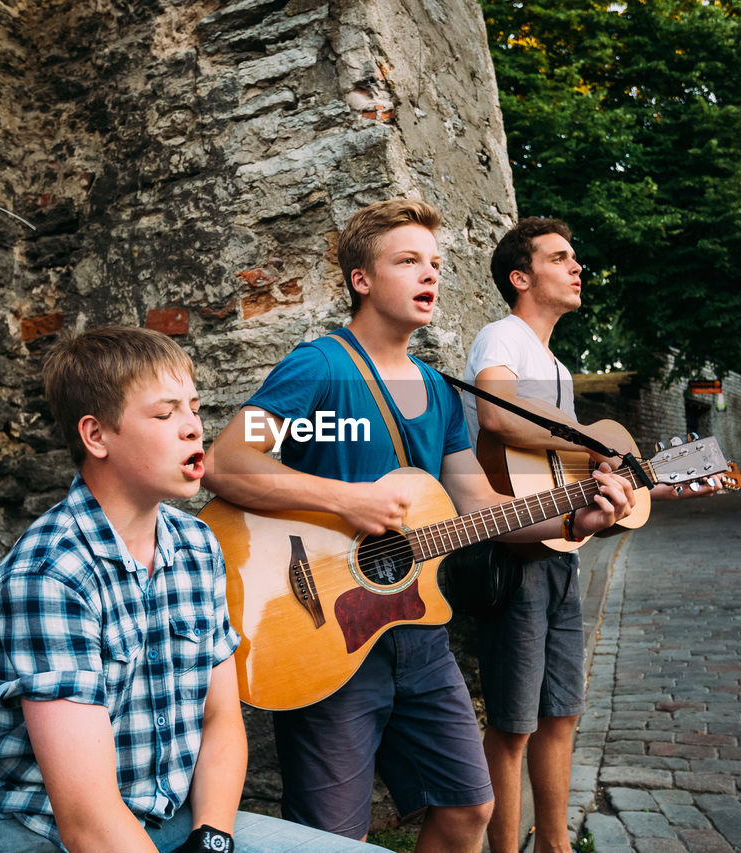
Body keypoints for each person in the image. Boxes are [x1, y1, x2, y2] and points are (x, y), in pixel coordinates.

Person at [202, 200, 634, 853]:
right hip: (328, 635)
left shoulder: (438, 391)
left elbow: (480, 507)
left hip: (420, 637)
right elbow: (226, 461)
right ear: (362, 280)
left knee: (469, 808)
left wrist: (575, 517)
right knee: (330, 839)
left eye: (434, 263)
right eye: (407, 261)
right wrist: (346, 500)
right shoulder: (320, 368)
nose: (428, 275)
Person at [0, 326, 388, 853]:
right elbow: (87, 822)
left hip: (166, 819)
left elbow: (221, 720)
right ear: (96, 436)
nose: (193, 428)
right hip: (34, 829)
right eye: (165, 413)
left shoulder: (198, 546)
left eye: (194, 409)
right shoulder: (49, 575)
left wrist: (213, 838)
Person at [463, 218, 717, 853]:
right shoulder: (504, 337)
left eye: (575, 257)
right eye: (560, 257)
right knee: (515, 723)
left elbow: (580, 471)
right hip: (513, 550)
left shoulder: (558, 368)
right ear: (521, 277)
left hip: (559, 553)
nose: (577, 267)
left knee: (561, 712)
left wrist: (652, 484)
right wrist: (598, 442)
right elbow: (497, 412)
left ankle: (554, 845)